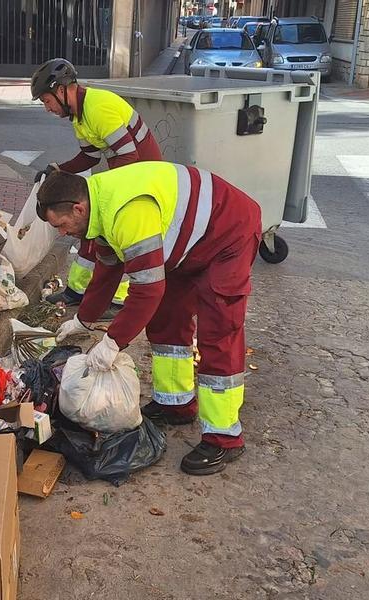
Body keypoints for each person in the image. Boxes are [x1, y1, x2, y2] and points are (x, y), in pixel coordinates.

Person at [38, 162, 262, 476]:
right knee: (166, 320)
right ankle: (176, 405)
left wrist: (113, 342)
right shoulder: (98, 209)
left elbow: (146, 291)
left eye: (62, 225)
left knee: (218, 334)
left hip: (227, 235)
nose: (63, 233)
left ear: (78, 208)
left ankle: (224, 437)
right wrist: (84, 320)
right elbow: (108, 269)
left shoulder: (127, 212)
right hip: (188, 245)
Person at [29, 58, 163, 311]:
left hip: (142, 178)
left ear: (60, 90)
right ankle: (78, 292)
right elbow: (89, 156)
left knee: (115, 239)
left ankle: (117, 298)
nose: (47, 108)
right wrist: (59, 170)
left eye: (46, 101)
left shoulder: (97, 106)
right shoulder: (79, 116)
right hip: (127, 176)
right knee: (91, 232)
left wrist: (101, 191)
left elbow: (128, 154)